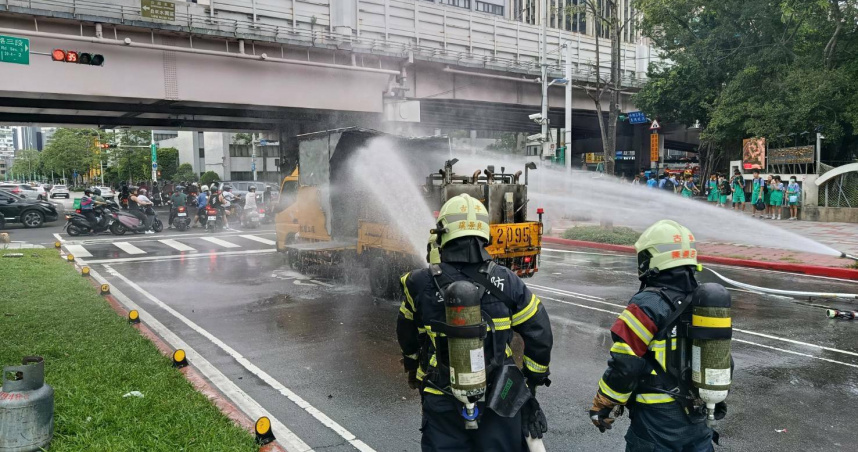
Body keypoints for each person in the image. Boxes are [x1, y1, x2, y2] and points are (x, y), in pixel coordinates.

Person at [398, 194, 553, 452]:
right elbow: (540, 332)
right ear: (484, 233)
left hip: (442, 396)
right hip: (501, 396)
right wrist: (531, 381)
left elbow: (407, 334)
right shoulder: (508, 281)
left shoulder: (418, 283)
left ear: (442, 233)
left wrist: (413, 366)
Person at [588, 220, 730, 451]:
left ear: (653, 258)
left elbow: (625, 363)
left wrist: (604, 402)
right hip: (697, 412)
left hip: (657, 419)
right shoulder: (704, 301)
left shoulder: (647, 304)